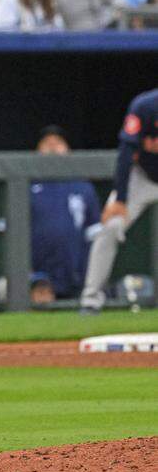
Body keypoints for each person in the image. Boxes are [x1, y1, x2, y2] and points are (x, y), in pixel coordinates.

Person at [79, 89, 158, 313]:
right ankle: (91, 301)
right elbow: (126, 151)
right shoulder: (145, 106)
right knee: (111, 227)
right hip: (141, 177)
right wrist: (120, 199)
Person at [26, 126, 100, 301]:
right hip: (38, 276)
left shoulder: (82, 186)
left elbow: (95, 233)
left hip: (76, 273)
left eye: (58, 143)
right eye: (46, 143)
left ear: (68, 149)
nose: (52, 147)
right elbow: (11, 233)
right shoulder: (26, 185)